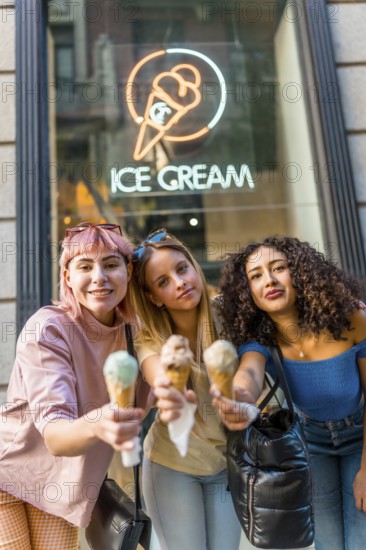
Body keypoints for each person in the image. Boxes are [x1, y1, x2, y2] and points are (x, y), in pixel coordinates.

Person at [216, 235, 366, 550]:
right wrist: (239, 396)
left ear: (300, 272)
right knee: (328, 543)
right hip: (310, 443)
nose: (268, 280)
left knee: (360, 538)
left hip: (360, 438)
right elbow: (250, 371)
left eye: (278, 268)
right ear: (248, 293)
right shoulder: (262, 337)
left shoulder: (351, 318)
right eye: (255, 276)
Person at [0, 223, 144, 550]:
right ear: (67, 277)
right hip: (8, 476)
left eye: (110, 264)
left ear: (128, 271)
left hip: (64, 489)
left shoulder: (138, 334)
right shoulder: (49, 328)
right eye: (84, 266)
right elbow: (56, 434)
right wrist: (101, 420)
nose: (99, 277)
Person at [130, 228, 242, 550]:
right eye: (163, 282)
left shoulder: (229, 317)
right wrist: (169, 390)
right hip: (172, 466)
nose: (179, 282)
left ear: (193, 265)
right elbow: (159, 376)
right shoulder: (149, 338)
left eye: (181, 269)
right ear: (153, 297)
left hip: (223, 466)